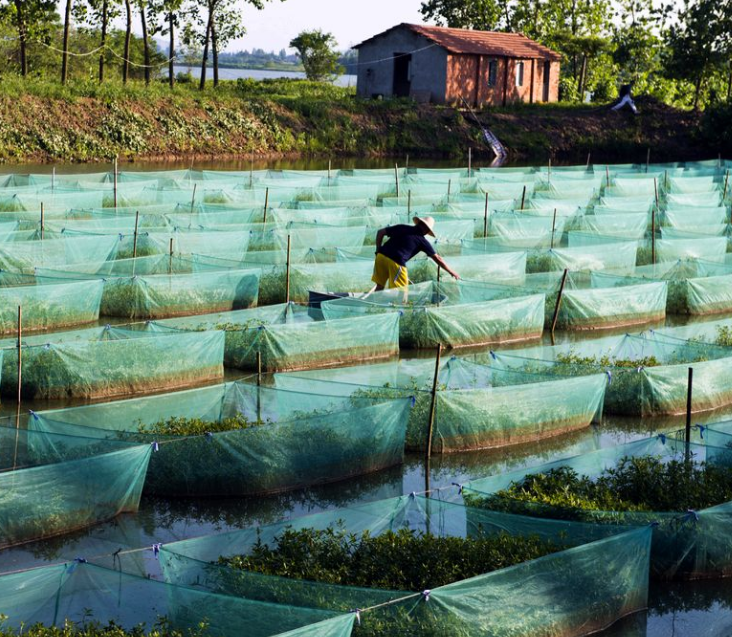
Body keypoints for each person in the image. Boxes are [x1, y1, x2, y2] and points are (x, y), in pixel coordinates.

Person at [371, 216, 460, 291]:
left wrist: (378, 249)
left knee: (379, 286)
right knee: (401, 293)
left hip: (381, 256)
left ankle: (373, 306)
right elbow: (437, 258)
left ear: (418, 223)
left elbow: (380, 232)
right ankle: (399, 309)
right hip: (396, 262)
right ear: (426, 231)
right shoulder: (422, 241)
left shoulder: (402, 227)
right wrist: (452, 272)